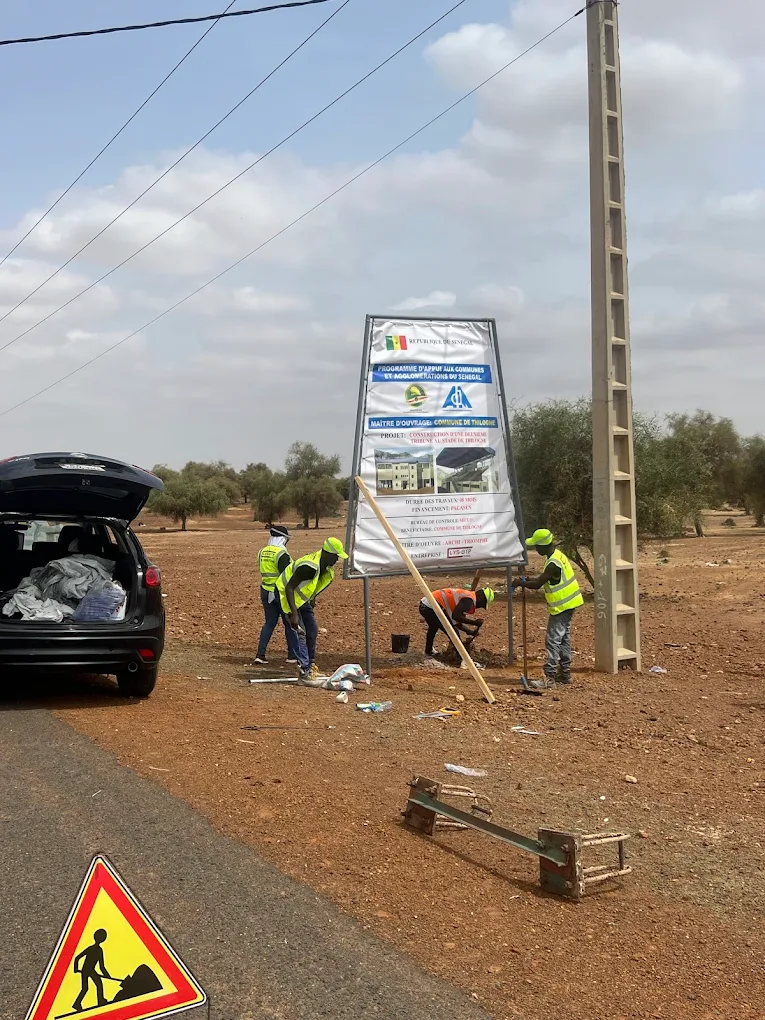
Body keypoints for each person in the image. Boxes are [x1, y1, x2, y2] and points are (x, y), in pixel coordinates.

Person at [511, 528, 584, 690]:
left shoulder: (553, 564)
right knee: (564, 638)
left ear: (543, 546)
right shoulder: (557, 556)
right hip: (569, 604)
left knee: (553, 640)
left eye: (536, 546)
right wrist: (527, 579)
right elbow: (544, 579)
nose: (535, 549)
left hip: (562, 606)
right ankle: (565, 674)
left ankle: (549, 678)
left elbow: (537, 585)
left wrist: (520, 583)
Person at [276, 537, 348, 681]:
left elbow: (313, 587)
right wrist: (294, 614)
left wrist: (311, 602)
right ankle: (304, 670)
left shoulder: (324, 568)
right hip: (286, 596)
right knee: (300, 632)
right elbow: (289, 587)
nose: (337, 560)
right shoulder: (309, 567)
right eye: (336, 556)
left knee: (312, 629)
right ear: (328, 554)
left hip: (301, 599)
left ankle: (310, 666)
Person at [252, 525, 300, 666]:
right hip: (279, 592)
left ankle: (260, 654)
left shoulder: (262, 552)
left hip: (265, 591)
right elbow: (287, 575)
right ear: (283, 539)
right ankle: (292, 655)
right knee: (289, 623)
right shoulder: (281, 554)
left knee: (269, 623)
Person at [419, 587, 495, 658]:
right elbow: (456, 616)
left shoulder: (467, 598)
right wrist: (474, 622)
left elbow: (456, 621)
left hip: (426, 604)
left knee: (433, 627)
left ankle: (428, 651)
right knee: (453, 632)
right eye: (483, 604)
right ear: (482, 598)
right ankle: (462, 658)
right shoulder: (469, 601)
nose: (480, 607)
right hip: (431, 606)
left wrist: (470, 631)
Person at [73, 928, 115, 1011]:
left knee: (87, 987)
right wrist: (75, 968)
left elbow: (101, 966)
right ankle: (99, 1001)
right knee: (96, 985)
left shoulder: (93, 948)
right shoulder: (98, 950)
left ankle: (78, 1003)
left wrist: (76, 968)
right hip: (88, 970)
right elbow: (101, 967)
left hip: (87, 970)